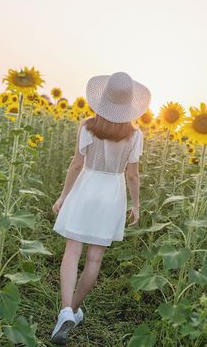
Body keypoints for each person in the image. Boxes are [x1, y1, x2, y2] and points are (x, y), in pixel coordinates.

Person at [50, 71, 151, 345]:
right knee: (94, 259)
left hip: (86, 187)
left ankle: (65, 309)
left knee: (72, 252)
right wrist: (136, 205)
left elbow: (76, 164)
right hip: (112, 194)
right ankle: (73, 311)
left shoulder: (87, 126)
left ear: (104, 99)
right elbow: (132, 175)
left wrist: (62, 197)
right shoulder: (135, 135)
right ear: (129, 105)